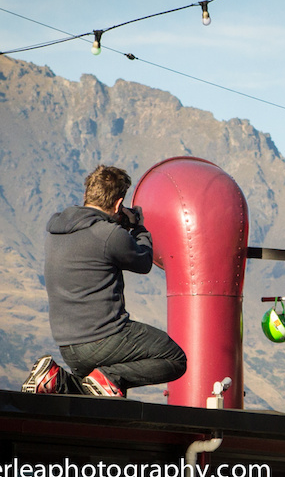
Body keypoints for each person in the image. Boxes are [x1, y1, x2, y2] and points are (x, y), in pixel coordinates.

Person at [22, 165, 186, 397]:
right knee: (174, 358)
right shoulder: (109, 234)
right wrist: (138, 228)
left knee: (97, 389)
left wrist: (117, 224)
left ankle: (57, 379)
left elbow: (93, 247)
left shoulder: (56, 231)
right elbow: (143, 262)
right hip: (105, 338)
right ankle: (111, 377)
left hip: (69, 347)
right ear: (118, 204)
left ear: (87, 194)